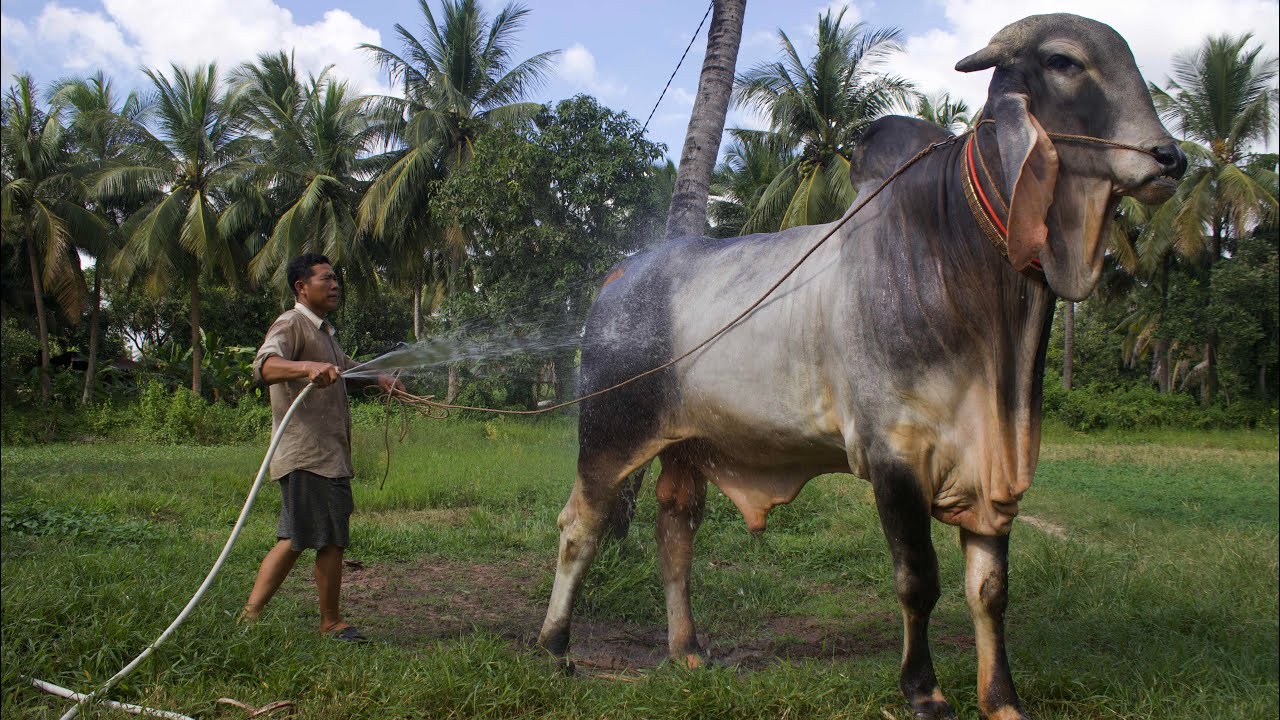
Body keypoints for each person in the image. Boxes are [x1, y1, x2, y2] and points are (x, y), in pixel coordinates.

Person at [241, 253, 400, 641]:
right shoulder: (292, 323)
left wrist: (378, 378)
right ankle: (326, 622)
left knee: (306, 538)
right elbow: (264, 366)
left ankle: (252, 616)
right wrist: (306, 368)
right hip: (307, 454)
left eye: (336, 279)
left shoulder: (325, 333)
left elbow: (347, 370)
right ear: (301, 287)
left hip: (327, 455)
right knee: (315, 539)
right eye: (326, 279)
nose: (335, 285)